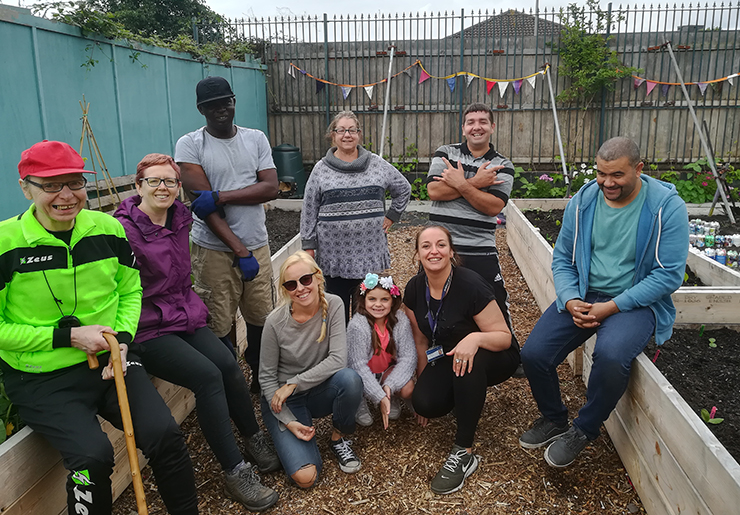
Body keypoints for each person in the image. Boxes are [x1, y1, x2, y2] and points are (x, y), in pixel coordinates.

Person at [0, 140, 199, 514]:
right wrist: (66, 336)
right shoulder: (5, 243)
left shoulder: (108, 228)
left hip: (113, 360)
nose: (67, 196)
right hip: (41, 376)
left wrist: (122, 340)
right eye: (51, 185)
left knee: (165, 435)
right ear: (26, 187)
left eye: (75, 183)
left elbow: (130, 289)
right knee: (92, 457)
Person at [114, 153, 280, 512]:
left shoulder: (181, 217)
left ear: (178, 187)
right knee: (207, 377)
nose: (163, 187)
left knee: (229, 364)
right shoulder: (121, 230)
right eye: (153, 181)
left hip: (182, 314)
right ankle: (235, 471)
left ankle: (253, 439)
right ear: (137, 185)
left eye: (170, 181)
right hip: (145, 327)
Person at [519, 137, 689, 468]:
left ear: (639, 169)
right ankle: (554, 418)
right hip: (585, 294)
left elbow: (668, 276)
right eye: (601, 174)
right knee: (534, 354)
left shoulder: (666, 207)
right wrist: (569, 300)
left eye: (617, 175)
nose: (607, 183)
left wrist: (611, 307)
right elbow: (563, 259)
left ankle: (584, 429)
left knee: (610, 356)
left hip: (636, 301)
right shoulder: (583, 202)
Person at [175, 75, 279, 392]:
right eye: (211, 106)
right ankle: (229, 378)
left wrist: (222, 196)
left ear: (234, 102)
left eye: (225, 102)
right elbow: (204, 208)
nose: (220, 109)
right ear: (200, 109)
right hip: (213, 252)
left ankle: (260, 376)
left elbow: (271, 188)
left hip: (256, 244)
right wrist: (239, 250)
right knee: (219, 322)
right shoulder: (190, 145)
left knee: (261, 317)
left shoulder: (255, 139)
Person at [404, 226, 520, 495]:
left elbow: (503, 337)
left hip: (495, 353)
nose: (434, 251)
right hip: (449, 352)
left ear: (451, 250)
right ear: (418, 254)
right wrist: (423, 382)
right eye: (426, 246)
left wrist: (475, 339)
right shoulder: (414, 289)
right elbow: (422, 340)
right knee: (425, 402)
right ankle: (467, 396)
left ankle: (464, 452)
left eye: (441, 245)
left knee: (468, 364)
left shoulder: (470, 285)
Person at [426, 103, 521, 363]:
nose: (476, 126)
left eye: (482, 121)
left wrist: (458, 184)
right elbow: (434, 192)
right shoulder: (446, 153)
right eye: (470, 122)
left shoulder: (502, 164)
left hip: (480, 246)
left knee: (495, 297)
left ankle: (509, 353)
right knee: (434, 301)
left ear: (492, 127)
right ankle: (438, 351)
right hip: (441, 246)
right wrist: (476, 183)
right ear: (463, 128)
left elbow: (493, 207)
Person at [259, 251, 363, 488]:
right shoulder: (275, 322)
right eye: (291, 284)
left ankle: (339, 438)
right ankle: (289, 440)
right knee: (306, 479)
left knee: (350, 380)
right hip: (283, 401)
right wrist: (287, 420)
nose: (300, 288)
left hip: (315, 390)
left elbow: (338, 359)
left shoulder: (334, 304)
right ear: (285, 289)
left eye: (305, 279)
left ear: (318, 278)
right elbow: (265, 377)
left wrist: (294, 383)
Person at [300, 110, 411, 322]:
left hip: (368, 252)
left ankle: (366, 351)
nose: (347, 135)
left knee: (366, 313)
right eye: (340, 130)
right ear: (332, 135)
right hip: (333, 254)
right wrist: (308, 245)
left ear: (359, 134)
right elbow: (309, 208)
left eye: (352, 130)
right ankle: (338, 352)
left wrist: (392, 215)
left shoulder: (376, 164)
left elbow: (404, 188)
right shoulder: (320, 169)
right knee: (335, 312)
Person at [347, 272, 416, 429]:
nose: (378, 304)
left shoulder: (400, 320)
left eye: (384, 299)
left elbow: (408, 358)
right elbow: (358, 366)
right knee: (353, 378)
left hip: (387, 371)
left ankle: (391, 396)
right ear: (363, 300)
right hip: (363, 374)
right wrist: (379, 396)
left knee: (408, 388)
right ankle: (359, 400)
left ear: (393, 301)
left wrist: (389, 386)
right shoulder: (357, 325)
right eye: (372, 299)